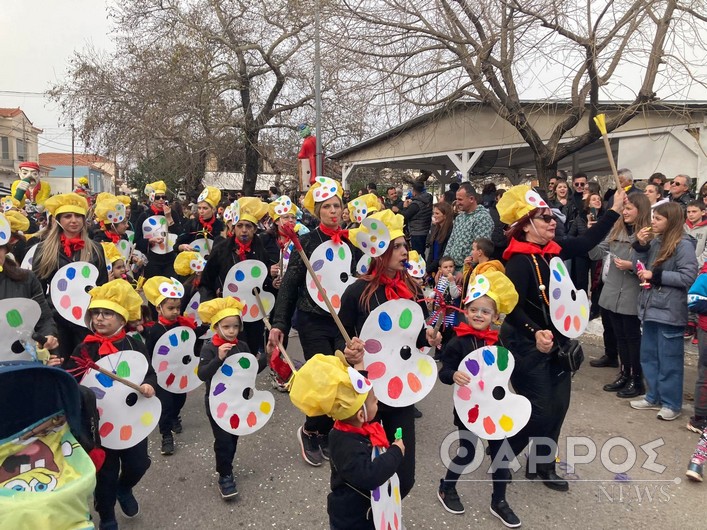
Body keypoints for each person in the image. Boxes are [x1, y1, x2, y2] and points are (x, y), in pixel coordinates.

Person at [496, 184, 625, 491]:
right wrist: (534, 332)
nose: (552, 222)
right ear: (526, 226)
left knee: (559, 407)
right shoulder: (518, 262)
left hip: (558, 343)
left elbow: (586, 242)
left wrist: (614, 211)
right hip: (525, 345)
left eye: (552, 217)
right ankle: (501, 457)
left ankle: (541, 465)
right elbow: (510, 307)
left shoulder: (552, 251)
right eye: (544, 218)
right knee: (539, 411)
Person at [338, 209, 442, 500]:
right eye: (396, 246)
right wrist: (347, 351)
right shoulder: (358, 292)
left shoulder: (412, 288)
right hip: (367, 392)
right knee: (362, 469)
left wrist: (429, 336)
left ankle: (388, 512)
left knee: (404, 473)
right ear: (380, 250)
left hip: (400, 390)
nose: (404, 251)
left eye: (405, 245)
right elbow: (340, 334)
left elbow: (418, 335)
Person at [267, 177, 359, 467]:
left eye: (338, 206)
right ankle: (309, 430)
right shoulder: (304, 242)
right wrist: (280, 322)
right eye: (327, 207)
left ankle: (328, 431)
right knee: (323, 376)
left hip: (342, 321)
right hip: (312, 319)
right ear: (318, 211)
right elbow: (290, 286)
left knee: (343, 376)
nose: (334, 211)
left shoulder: (350, 243)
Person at [53, 279, 154, 530]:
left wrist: (150, 385)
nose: (99, 318)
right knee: (105, 474)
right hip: (99, 424)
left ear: (122, 318)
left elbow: (148, 372)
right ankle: (106, 516)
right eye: (96, 313)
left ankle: (125, 487)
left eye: (107, 313)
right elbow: (72, 377)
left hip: (130, 420)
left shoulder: (134, 344)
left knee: (139, 463)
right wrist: (60, 373)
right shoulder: (85, 347)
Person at [437, 270, 523, 527]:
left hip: (495, 408)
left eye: (485, 312)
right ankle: (447, 487)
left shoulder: (499, 342)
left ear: (495, 317)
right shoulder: (457, 342)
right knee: (467, 452)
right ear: (466, 310)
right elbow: (444, 372)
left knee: (501, 455)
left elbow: (506, 370)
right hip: (469, 408)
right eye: (474, 309)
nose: (478, 315)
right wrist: (454, 375)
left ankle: (499, 501)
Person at [289, 353, 405, 530]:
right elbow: (369, 475)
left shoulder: (351, 424)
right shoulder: (347, 443)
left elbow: (359, 395)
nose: (377, 403)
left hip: (365, 509)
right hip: (353, 518)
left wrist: (359, 365)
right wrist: (395, 452)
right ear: (361, 414)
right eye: (375, 402)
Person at [630, 202, 698, 421]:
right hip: (650, 307)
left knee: (669, 360)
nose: (652, 222)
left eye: (658, 218)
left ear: (671, 221)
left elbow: (688, 277)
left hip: (670, 310)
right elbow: (639, 269)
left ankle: (671, 403)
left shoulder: (683, 244)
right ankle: (653, 396)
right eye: (653, 217)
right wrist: (640, 246)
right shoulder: (655, 241)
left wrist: (656, 276)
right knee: (649, 356)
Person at [32, 193, 109, 361]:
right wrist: (45, 323)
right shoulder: (44, 250)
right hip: (55, 321)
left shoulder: (96, 249)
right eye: (67, 216)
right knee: (60, 366)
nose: (73, 220)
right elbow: (37, 290)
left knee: (86, 365)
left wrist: (99, 318)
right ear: (58, 219)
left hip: (86, 320)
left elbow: (103, 287)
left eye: (78, 216)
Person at [589, 193, 652, 397]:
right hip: (613, 291)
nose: (624, 211)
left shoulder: (648, 234)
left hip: (632, 293)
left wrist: (632, 265)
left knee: (632, 338)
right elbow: (597, 253)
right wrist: (591, 237)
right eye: (624, 208)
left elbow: (652, 266)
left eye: (629, 208)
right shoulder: (616, 229)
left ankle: (636, 379)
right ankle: (624, 375)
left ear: (640, 210)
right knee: (620, 337)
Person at [200, 196, 273, 358]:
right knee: (229, 354)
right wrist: (210, 305)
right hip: (228, 314)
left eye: (248, 226)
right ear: (233, 228)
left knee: (250, 353)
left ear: (255, 229)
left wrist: (273, 282)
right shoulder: (221, 250)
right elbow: (206, 281)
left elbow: (265, 283)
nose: (244, 230)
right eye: (240, 226)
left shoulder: (261, 251)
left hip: (253, 313)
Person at [197, 297, 250, 500]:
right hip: (217, 402)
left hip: (238, 401)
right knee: (223, 440)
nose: (231, 331)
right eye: (226, 326)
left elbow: (250, 370)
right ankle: (225, 474)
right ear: (216, 327)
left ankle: (227, 464)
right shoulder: (210, 348)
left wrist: (267, 357)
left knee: (233, 437)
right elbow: (203, 374)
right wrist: (218, 358)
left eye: (235, 326)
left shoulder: (242, 345)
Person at [143, 276, 196, 456]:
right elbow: (149, 353)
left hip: (180, 372)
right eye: (170, 308)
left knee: (180, 399)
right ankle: (166, 435)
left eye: (178, 308)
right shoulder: (155, 330)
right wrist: (149, 375)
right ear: (159, 308)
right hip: (162, 375)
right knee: (165, 405)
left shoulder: (182, 325)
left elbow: (191, 341)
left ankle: (175, 416)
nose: (175, 312)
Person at [0, 210, 58, 349]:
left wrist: (48, 336)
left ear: (6, 249)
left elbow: (44, 319)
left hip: (21, 358)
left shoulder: (26, 279)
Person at [134, 181, 183, 280]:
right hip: (152, 259)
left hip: (170, 258)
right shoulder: (144, 215)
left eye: (163, 197)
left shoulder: (172, 213)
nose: (161, 200)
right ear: (152, 198)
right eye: (157, 197)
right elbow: (137, 240)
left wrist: (169, 218)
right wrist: (150, 241)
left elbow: (179, 234)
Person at [445, 182, 493, 273]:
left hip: (469, 271)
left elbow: (480, 250)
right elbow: (451, 242)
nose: (457, 203)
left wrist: (464, 271)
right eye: (457, 199)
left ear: (471, 199)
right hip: (452, 269)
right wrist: (444, 265)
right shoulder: (460, 217)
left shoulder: (482, 218)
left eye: (460, 200)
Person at [175, 186, 224, 256]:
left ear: (213, 209)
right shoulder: (191, 223)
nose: (201, 211)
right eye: (199, 208)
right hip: (193, 262)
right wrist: (182, 247)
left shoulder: (220, 226)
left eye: (205, 208)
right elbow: (176, 246)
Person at [401, 182, 433, 256]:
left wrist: (405, 207)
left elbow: (404, 216)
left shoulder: (416, 204)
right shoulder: (427, 200)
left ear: (414, 191)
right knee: (422, 253)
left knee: (417, 255)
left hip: (417, 232)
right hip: (425, 230)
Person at [426, 201, 453, 275]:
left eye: (437, 213)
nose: (434, 216)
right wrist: (428, 267)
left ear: (445, 215)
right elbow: (431, 252)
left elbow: (442, 254)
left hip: (442, 269)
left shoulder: (450, 231)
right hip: (433, 268)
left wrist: (428, 269)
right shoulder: (436, 229)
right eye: (434, 213)